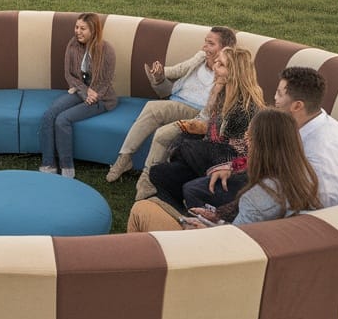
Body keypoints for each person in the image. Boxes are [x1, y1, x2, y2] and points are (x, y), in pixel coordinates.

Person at [128, 108, 321, 232]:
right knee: (162, 187)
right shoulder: (304, 178)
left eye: (249, 136)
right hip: (246, 240)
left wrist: (204, 228)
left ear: (262, 145)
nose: (246, 140)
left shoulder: (258, 197)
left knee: (142, 209)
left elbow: (233, 244)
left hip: (217, 256)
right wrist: (216, 218)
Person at [107, 25, 237, 195]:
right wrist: (160, 73)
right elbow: (177, 72)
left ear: (225, 48)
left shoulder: (228, 71)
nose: (204, 47)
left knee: (154, 111)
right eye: (205, 42)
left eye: (210, 44)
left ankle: (144, 175)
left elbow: (218, 108)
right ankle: (125, 158)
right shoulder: (200, 57)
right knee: (153, 109)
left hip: (197, 111)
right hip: (177, 101)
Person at [149, 46, 265, 210]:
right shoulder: (222, 92)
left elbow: (233, 150)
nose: (215, 67)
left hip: (230, 165)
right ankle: (180, 212)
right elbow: (211, 131)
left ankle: (193, 208)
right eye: (216, 61)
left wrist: (198, 142)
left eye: (221, 64)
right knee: (159, 173)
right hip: (209, 156)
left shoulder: (244, 108)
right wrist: (214, 94)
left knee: (185, 147)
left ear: (235, 73)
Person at [39, 13, 117, 178]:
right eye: (76, 27)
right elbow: (69, 75)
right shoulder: (72, 45)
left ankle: (67, 169)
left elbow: (105, 81)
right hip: (80, 91)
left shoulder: (106, 50)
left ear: (93, 30)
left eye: (83, 28)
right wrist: (84, 91)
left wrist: (92, 94)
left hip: (101, 98)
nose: (78, 31)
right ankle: (48, 164)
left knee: (62, 120)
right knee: (49, 115)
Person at [274, 66, 338, 205]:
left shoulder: (321, 151)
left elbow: (318, 205)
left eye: (280, 94)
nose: (275, 98)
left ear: (297, 106)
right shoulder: (308, 120)